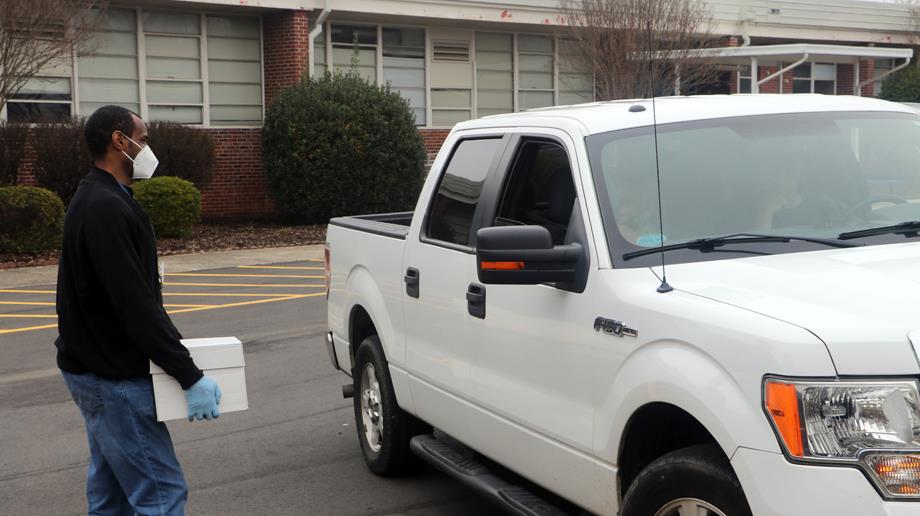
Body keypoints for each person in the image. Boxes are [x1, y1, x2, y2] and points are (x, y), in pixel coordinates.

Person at [55, 105, 221, 515]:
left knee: (112, 494)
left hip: (92, 368)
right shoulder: (105, 207)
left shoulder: (101, 196)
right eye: (142, 140)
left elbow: (132, 297)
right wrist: (188, 374)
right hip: (111, 378)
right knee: (161, 495)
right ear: (119, 141)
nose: (147, 149)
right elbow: (133, 304)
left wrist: (176, 352)